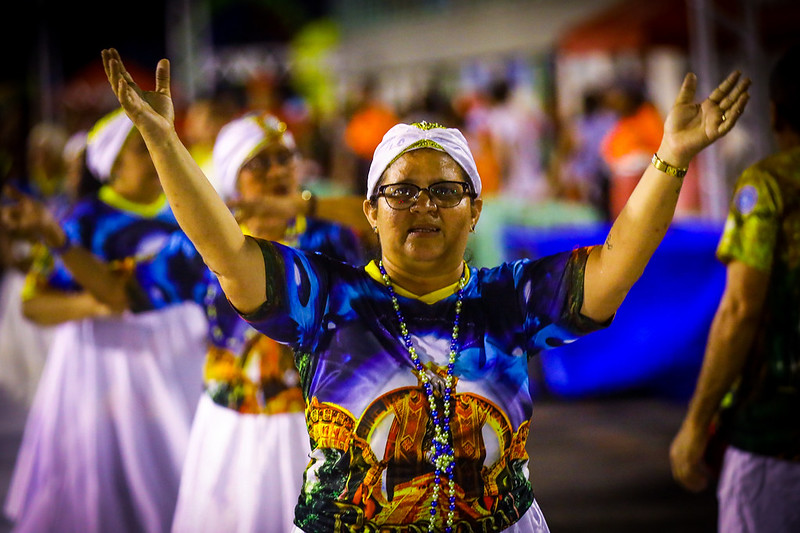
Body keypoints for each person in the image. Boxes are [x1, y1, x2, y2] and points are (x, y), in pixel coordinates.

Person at [102, 47, 749, 532]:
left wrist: (669, 160)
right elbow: (226, 248)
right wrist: (165, 143)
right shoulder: (328, 297)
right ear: (370, 210)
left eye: (445, 190)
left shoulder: (510, 298)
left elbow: (615, 263)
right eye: (402, 190)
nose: (424, 206)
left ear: (473, 211)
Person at [127, 111, 365, 532]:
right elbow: (126, 292)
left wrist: (299, 204)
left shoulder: (328, 235)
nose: (278, 170)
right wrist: (57, 245)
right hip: (232, 429)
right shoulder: (202, 247)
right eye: (260, 163)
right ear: (231, 178)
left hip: (322, 425)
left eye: (286, 157)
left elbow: (381, 220)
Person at [1, 108, 207, 533]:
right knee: (109, 487)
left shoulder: (185, 207)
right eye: (140, 149)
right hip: (105, 370)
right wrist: (99, 305)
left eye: (157, 145)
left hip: (181, 361)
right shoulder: (82, 221)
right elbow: (33, 303)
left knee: (186, 469)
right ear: (112, 163)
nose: (154, 157)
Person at [670, 44, 800, 533]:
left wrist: (694, 424)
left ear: (773, 113)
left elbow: (741, 310)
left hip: (776, 434)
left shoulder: (768, 185)